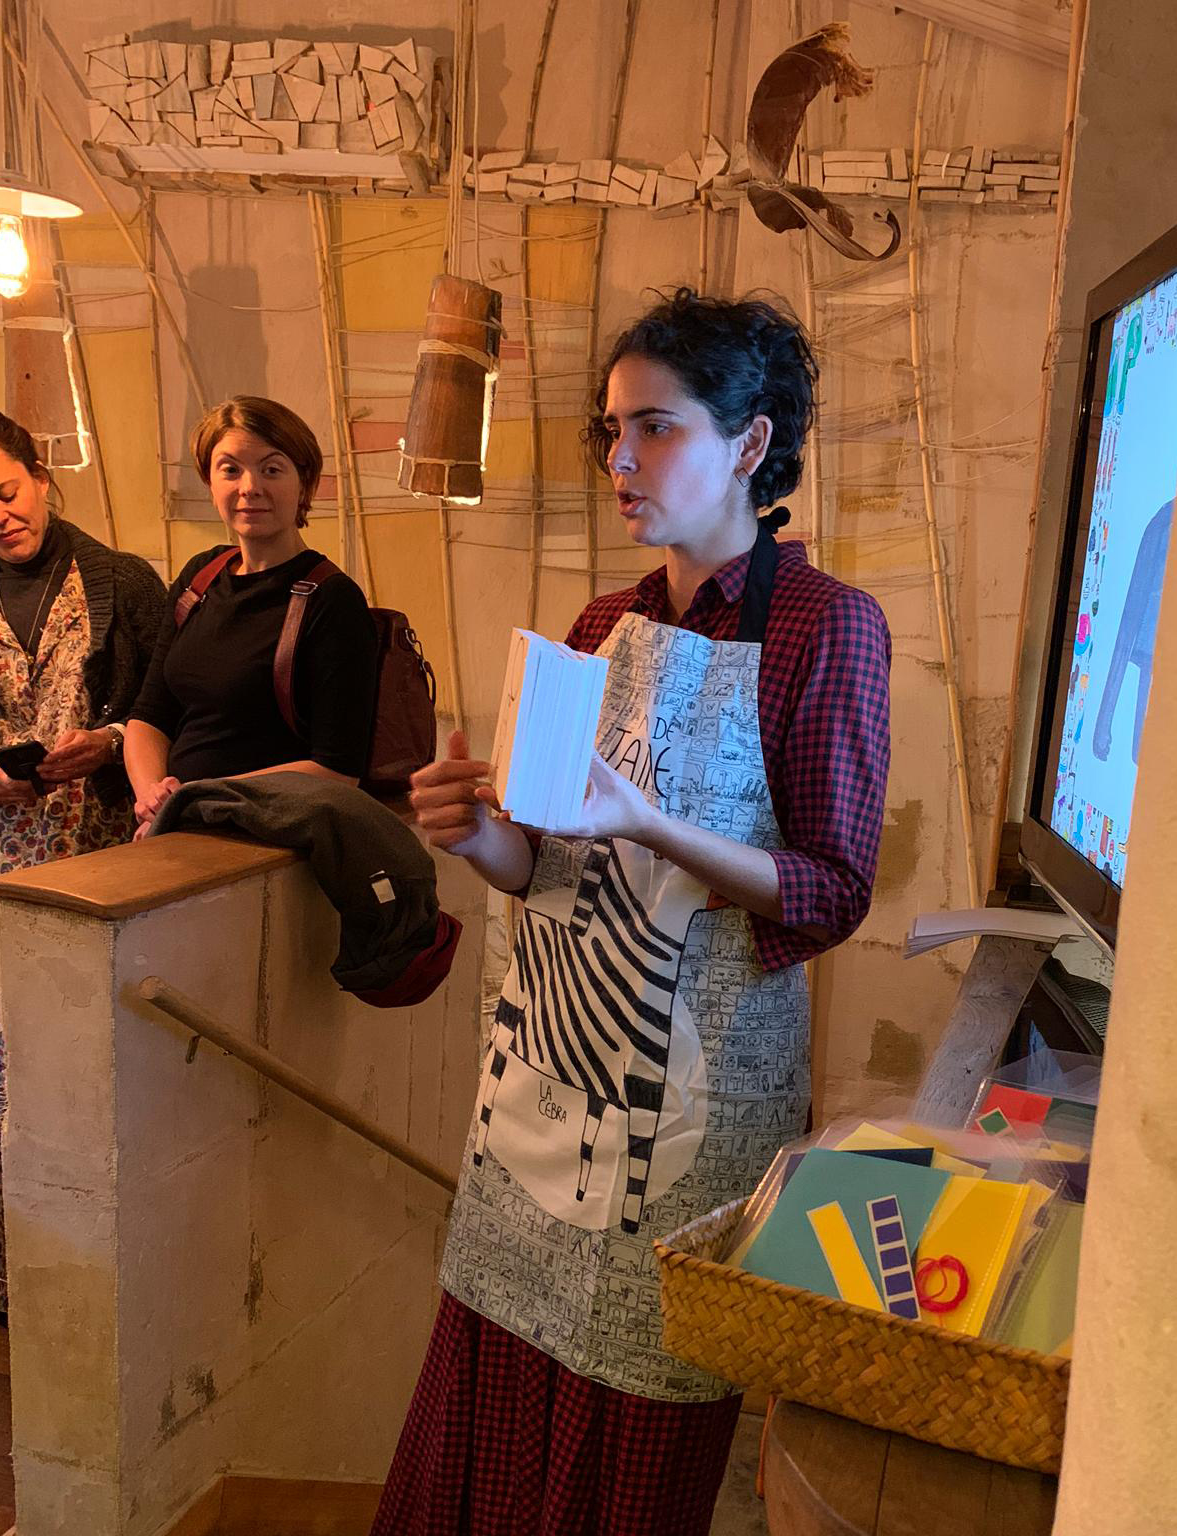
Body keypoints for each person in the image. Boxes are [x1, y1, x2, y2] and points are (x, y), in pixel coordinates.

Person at [375, 290, 893, 1536]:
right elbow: (543, 871)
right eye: (611, 430)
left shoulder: (829, 629)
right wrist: (471, 829)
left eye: (654, 429)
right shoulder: (601, 628)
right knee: (490, 1418)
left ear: (752, 446)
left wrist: (652, 823)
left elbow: (833, 890)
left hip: (689, 1122)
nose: (618, 461)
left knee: (634, 1449)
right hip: (542, 1092)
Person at [0, 404, 166, 1345]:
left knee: (90, 1063)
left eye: (6, 490)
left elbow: (170, 705)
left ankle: (96, 1270)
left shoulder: (122, 581)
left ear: (40, 472)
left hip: (97, 844)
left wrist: (111, 740)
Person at [124, 396, 377, 831]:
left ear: (306, 485)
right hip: (177, 826)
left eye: (271, 469)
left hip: (266, 839)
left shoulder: (332, 600)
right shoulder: (199, 576)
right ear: (210, 482)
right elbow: (149, 715)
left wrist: (194, 797)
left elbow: (338, 771)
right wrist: (152, 796)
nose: (249, 486)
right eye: (230, 469)